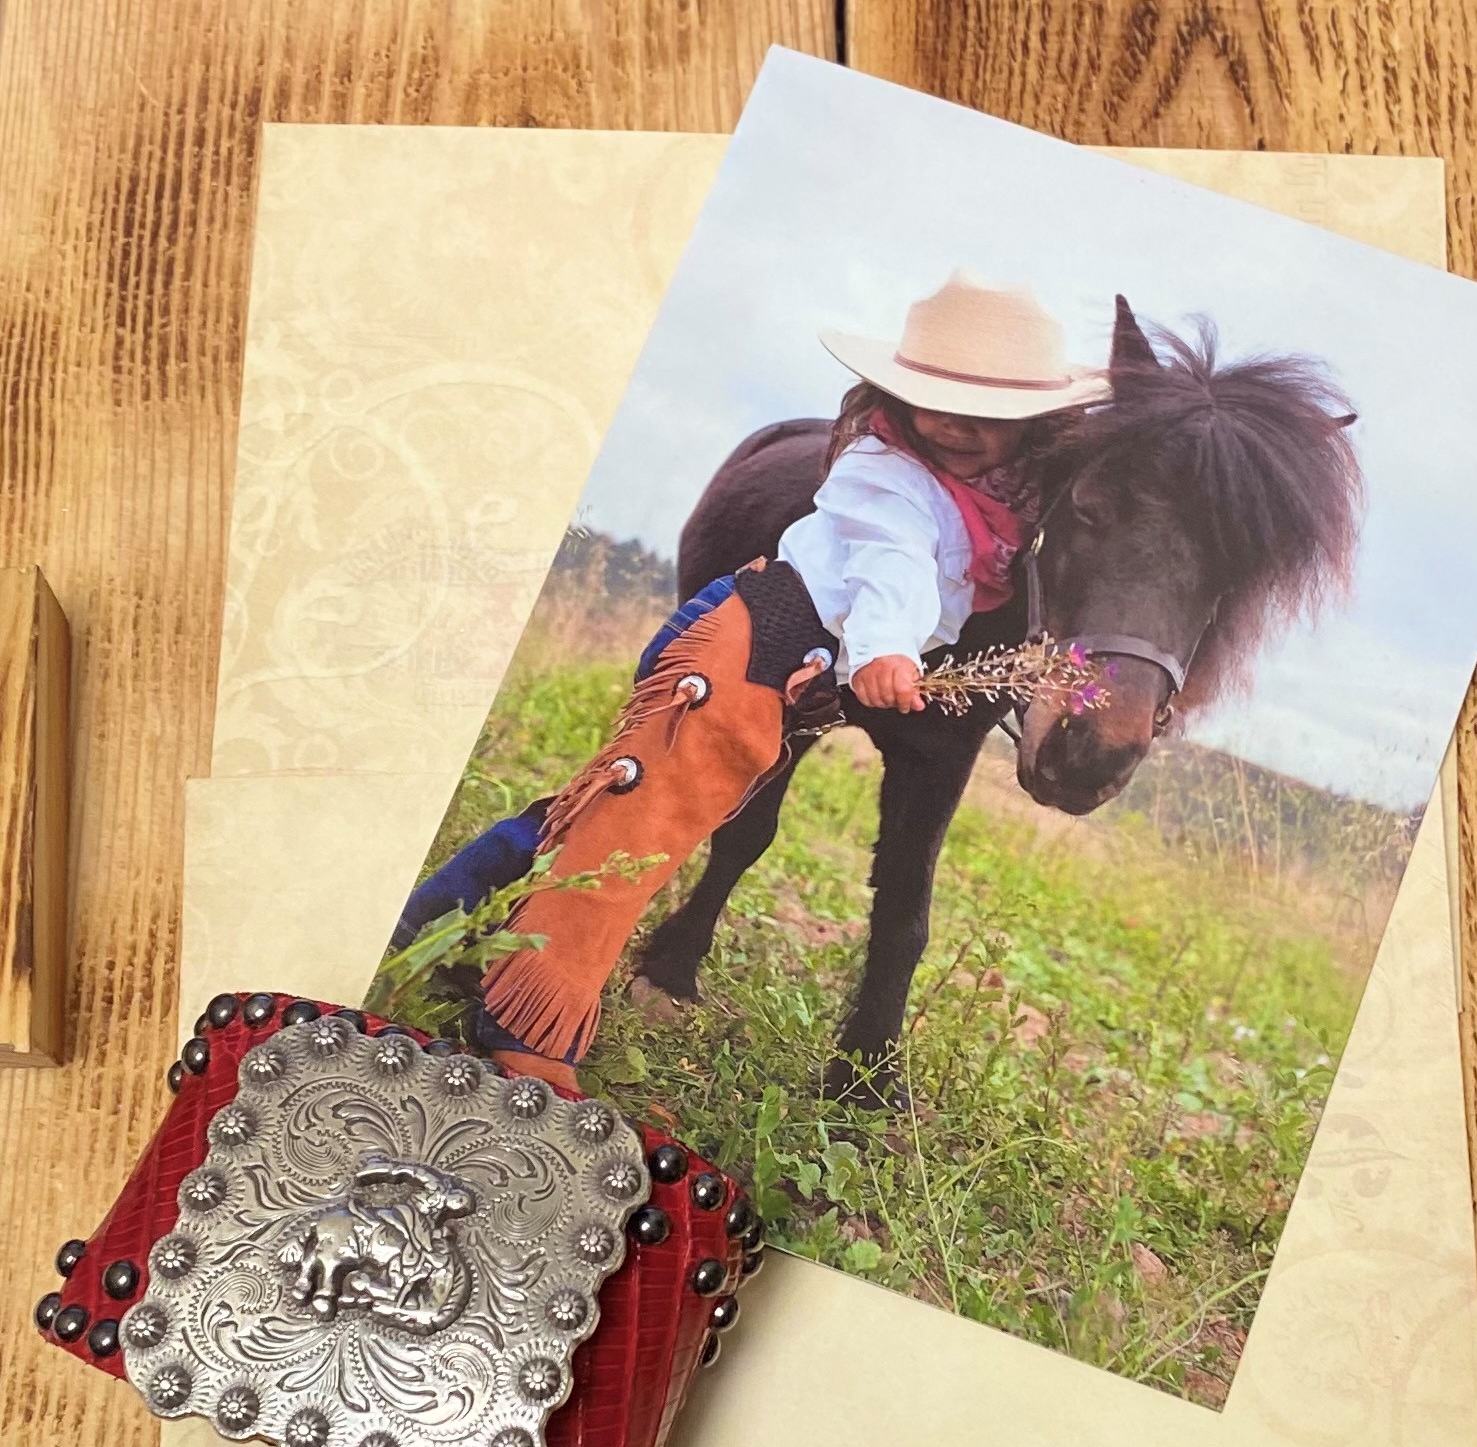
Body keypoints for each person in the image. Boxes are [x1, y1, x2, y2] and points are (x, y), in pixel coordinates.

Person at [392, 272, 1105, 1083]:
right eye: (926, 397)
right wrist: (886, 652)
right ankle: (531, 1022)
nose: (946, 422)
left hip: (796, 660)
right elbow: (891, 560)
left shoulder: (1005, 497)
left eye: (983, 414)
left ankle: (433, 919)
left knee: (615, 799)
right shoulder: (885, 469)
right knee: (642, 818)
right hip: (751, 642)